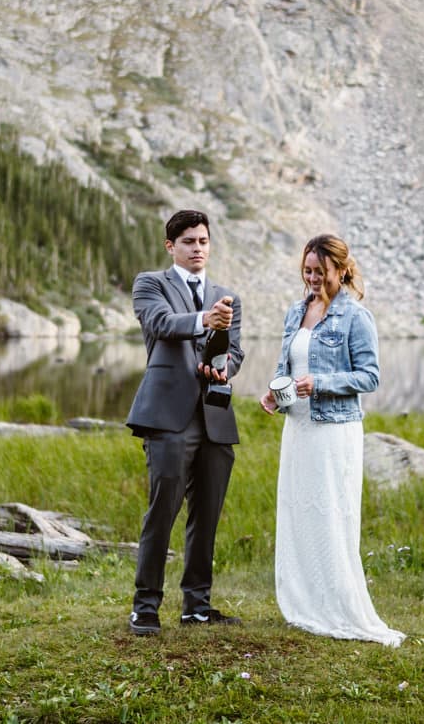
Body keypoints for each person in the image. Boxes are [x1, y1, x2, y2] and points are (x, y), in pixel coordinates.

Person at [257, 234, 404, 647]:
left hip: (334, 430)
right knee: (298, 510)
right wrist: (275, 393)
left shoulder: (356, 316)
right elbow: (288, 363)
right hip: (298, 428)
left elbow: (369, 377)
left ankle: (336, 604)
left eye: (320, 272)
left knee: (330, 513)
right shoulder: (295, 311)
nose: (313, 279)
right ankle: (304, 602)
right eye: (307, 271)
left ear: (341, 270)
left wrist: (320, 383)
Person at [125, 209, 244, 636]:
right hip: (167, 417)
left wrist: (225, 367)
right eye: (190, 241)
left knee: (207, 515)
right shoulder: (150, 283)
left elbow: (236, 352)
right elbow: (159, 323)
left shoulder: (228, 296)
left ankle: (197, 604)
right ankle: (145, 607)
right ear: (171, 246)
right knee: (163, 511)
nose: (198, 248)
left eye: (204, 241)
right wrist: (202, 320)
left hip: (214, 416)